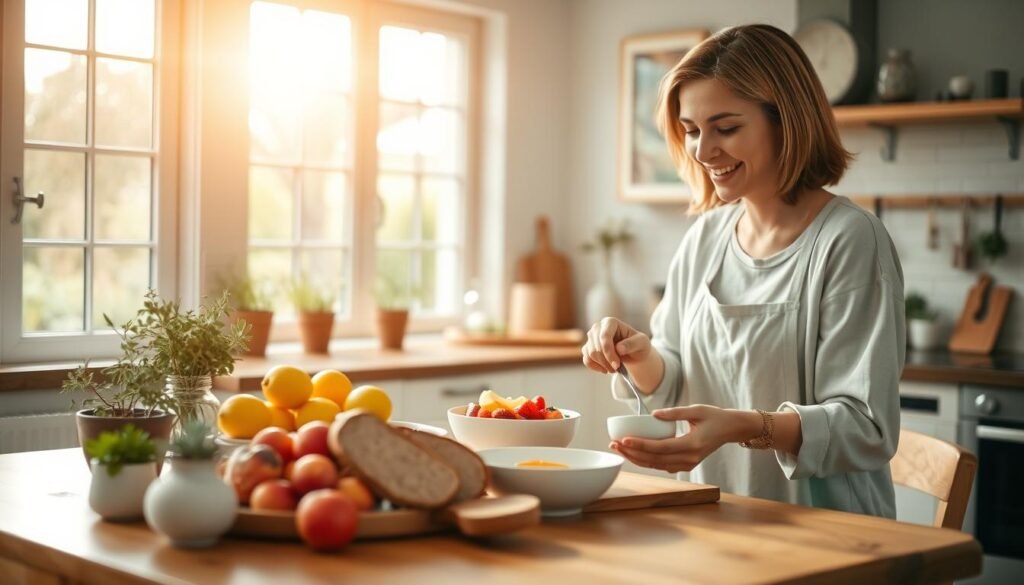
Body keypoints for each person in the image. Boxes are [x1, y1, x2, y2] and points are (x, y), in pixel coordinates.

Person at [581, 24, 905, 518]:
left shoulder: (849, 240)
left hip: (829, 536)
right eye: (691, 130)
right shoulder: (706, 238)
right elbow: (674, 378)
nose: (702, 150)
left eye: (726, 128)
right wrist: (638, 353)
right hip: (715, 523)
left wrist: (743, 426)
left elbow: (867, 427)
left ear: (786, 121)